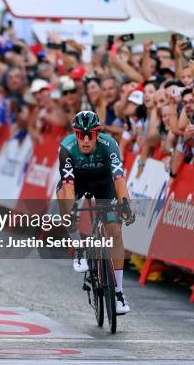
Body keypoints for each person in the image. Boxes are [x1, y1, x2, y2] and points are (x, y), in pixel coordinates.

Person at [56, 111, 135, 315]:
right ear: (75, 134)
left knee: (114, 233)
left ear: (97, 134)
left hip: (103, 184)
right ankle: (79, 248)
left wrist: (125, 205)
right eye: (81, 135)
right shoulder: (67, 148)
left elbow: (119, 181)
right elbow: (68, 187)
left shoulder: (110, 146)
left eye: (90, 134)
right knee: (64, 202)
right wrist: (72, 211)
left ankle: (118, 293)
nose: (86, 139)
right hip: (77, 183)